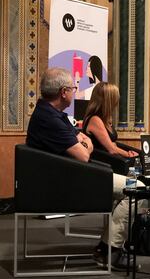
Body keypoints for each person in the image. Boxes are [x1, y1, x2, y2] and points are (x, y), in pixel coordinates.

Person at [26, 67, 138, 270]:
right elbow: (84, 153)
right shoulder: (50, 119)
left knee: (129, 186)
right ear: (63, 92)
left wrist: (83, 141)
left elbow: (84, 140)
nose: (75, 91)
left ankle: (108, 248)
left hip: (74, 175)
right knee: (137, 188)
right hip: (65, 184)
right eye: (73, 87)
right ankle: (109, 250)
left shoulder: (51, 113)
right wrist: (84, 142)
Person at [82, 82, 138, 158]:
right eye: (115, 98)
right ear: (108, 101)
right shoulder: (95, 120)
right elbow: (112, 149)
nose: (117, 102)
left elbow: (112, 145)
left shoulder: (105, 119)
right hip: (102, 161)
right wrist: (128, 154)